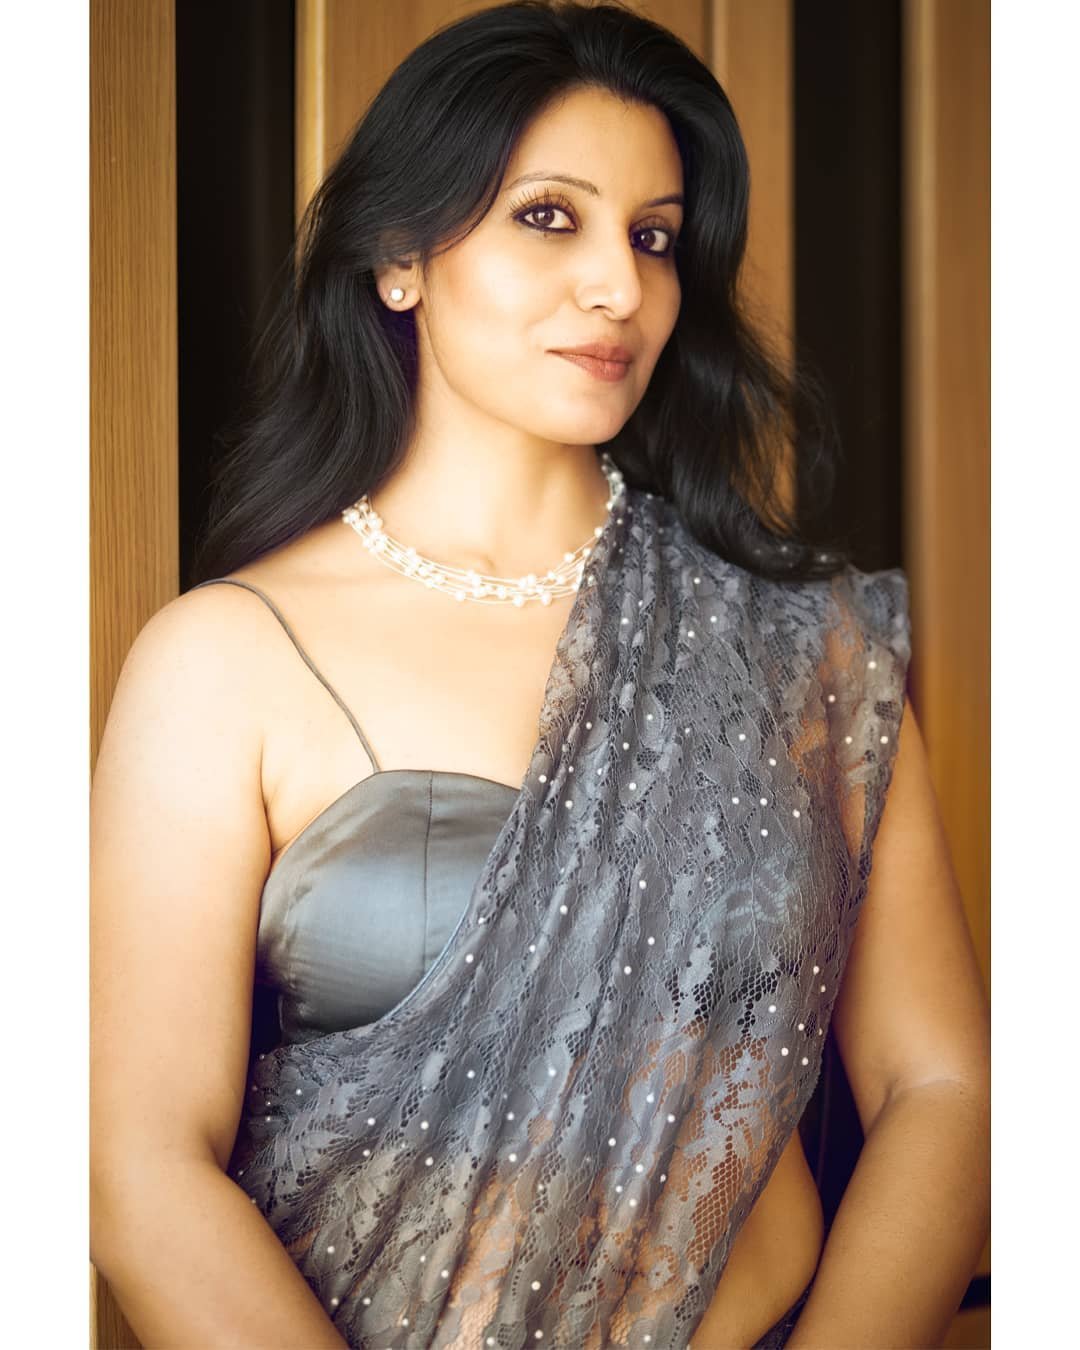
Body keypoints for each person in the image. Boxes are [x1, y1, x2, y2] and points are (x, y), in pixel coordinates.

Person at [89, 3, 990, 1347]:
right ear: (400, 257)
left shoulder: (801, 650)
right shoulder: (227, 659)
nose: (619, 286)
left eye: (655, 237)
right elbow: (139, 1162)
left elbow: (941, 1086)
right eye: (550, 218)